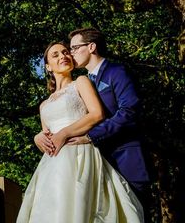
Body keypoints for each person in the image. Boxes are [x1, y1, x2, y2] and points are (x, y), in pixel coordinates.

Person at [17, 42, 143, 222]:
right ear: (47, 67)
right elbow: (47, 137)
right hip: (53, 164)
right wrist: (37, 137)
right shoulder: (43, 105)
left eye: (66, 52)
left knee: (81, 206)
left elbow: (96, 114)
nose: (63, 56)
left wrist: (65, 133)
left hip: (81, 155)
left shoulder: (81, 82)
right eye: (56, 55)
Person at [66, 28, 151, 209]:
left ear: (91, 47)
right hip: (98, 164)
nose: (71, 53)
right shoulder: (82, 83)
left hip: (127, 158)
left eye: (74, 48)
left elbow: (129, 111)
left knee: (135, 212)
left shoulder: (117, 72)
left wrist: (91, 136)